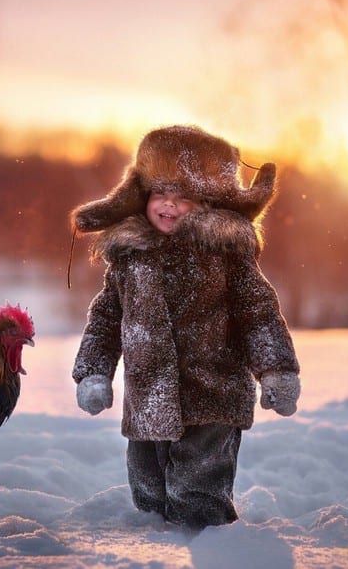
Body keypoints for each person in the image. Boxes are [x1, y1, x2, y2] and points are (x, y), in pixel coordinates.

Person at [70, 125, 301, 529]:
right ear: (141, 197)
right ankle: (152, 548)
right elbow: (105, 321)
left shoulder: (226, 257)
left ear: (210, 203)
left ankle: (209, 545)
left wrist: (276, 370)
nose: (169, 205)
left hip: (212, 394)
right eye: (159, 194)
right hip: (147, 399)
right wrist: (93, 372)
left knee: (197, 496)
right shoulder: (129, 259)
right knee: (148, 495)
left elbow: (258, 315)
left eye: (184, 198)